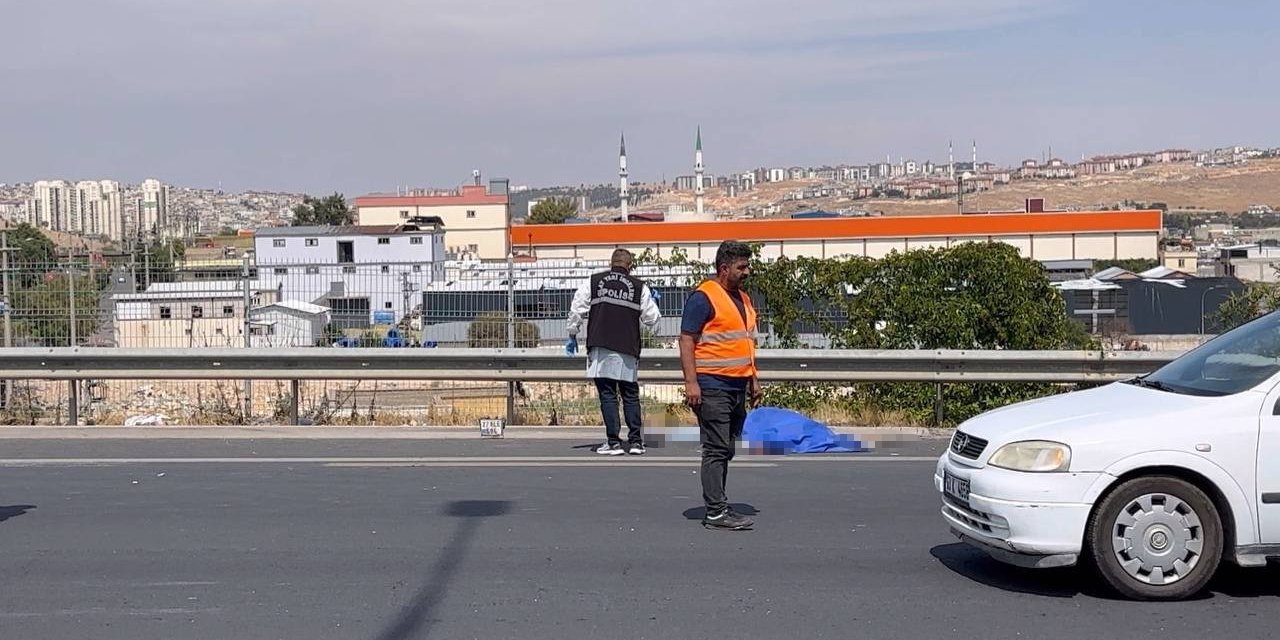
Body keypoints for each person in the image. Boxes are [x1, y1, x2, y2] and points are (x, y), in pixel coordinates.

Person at [679, 240, 762, 530]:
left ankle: (718, 505)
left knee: (726, 447)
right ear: (724, 268)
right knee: (716, 448)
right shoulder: (703, 297)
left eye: (748, 266)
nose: (747, 271)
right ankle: (715, 511)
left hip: (736, 384)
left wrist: (753, 379)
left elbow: (745, 341)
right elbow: (686, 340)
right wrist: (691, 383)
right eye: (742, 267)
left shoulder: (744, 299)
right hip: (712, 384)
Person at [566, 248, 661, 455]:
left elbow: (577, 309)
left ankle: (613, 442)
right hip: (627, 347)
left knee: (608, 394)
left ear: (611, 263)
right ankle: (636, 442)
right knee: (630, 394)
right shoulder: (639, 287)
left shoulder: (593, 282)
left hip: (601, 347)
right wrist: (655, 302)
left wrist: (572, 333)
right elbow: (652, 319)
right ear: (630, 266)